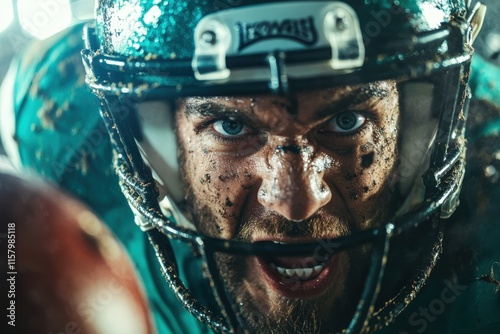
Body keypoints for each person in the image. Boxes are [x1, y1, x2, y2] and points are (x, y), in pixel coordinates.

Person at [1, 0, 499, 333]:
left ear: (420, 126)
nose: (296, 201)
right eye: (231, 128)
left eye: (346, 122)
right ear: (156, 142)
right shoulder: (69, 147)